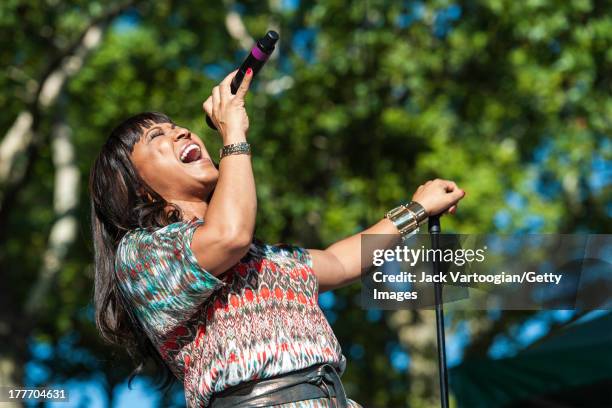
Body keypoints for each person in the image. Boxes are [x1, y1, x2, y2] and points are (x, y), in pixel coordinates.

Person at [90, 67, 465, 407]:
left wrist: (416, 209)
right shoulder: (142, 255)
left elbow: (339, 261)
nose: (182, 131)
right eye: (158, 135)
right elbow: (228, 236)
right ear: (138, 189)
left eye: (176, 126)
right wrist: (233, 133)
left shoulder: (260, 256)